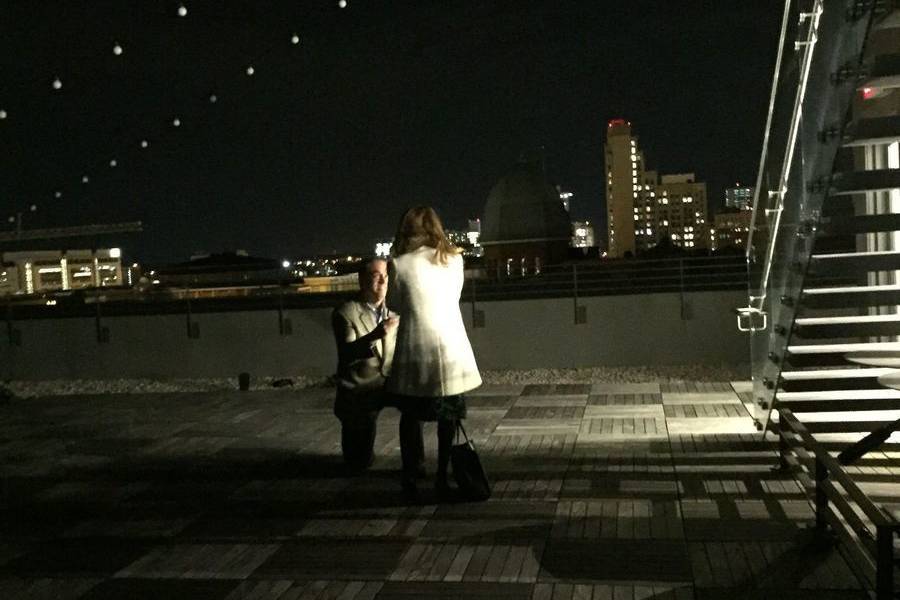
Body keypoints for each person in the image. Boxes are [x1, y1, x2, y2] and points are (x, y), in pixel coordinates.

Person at [386, 206, 482, 501]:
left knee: (411, 416)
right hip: (451, 348)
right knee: (448, 418)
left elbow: (395, 304)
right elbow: (455, 296)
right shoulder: (454, 260)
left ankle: (411, 475)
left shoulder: (399, 264)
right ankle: (443, 476)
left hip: (415, 350)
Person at [331, 257, 398, 471]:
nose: (383, 282)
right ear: (361, 280)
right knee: (357, 459)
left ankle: (415, 464)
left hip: (390, 381)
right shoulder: (346, 312)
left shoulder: (394, 312)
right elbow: (348, 351)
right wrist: (376, 335)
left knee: (417, 410)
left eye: (386, 276)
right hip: (359, 387)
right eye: (376, 276)